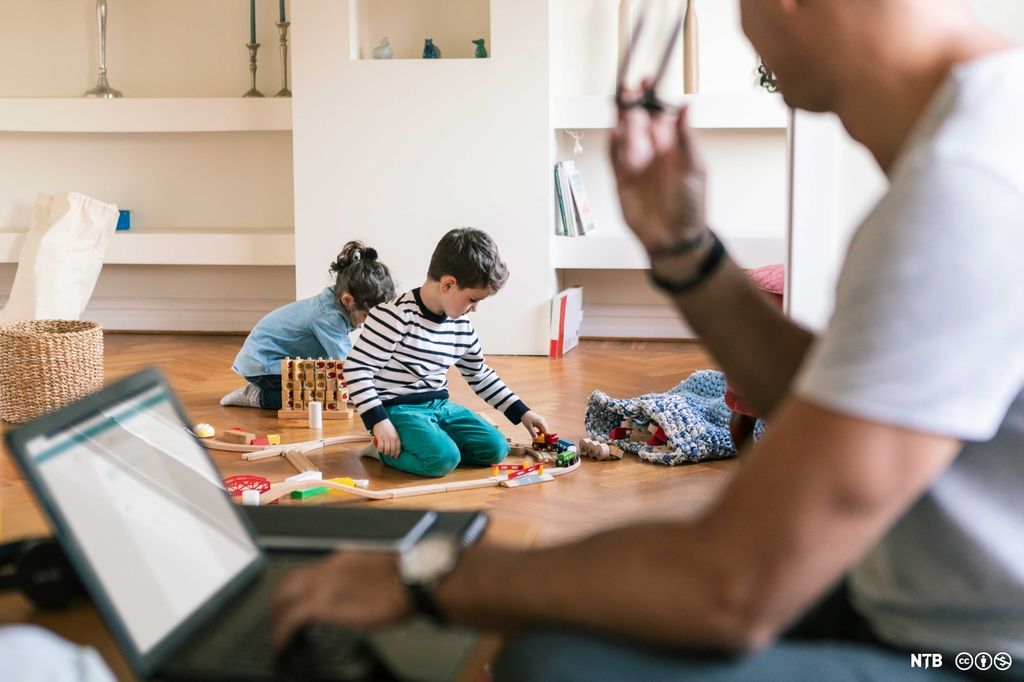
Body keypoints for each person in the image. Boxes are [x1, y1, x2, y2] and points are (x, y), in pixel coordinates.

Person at [272, 1, 1024, 679]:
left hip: (974, 655)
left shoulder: (962, 193)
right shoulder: (983, 134)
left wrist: (425, 577)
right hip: (905, 592)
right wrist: (684, 251)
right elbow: (806, 395)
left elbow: (728, 585)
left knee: (550, 659)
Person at [340, 227, 550, 477]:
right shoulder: (393, 316)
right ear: (449, 284)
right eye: (472, 299)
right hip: (396, 410)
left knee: (496, 448)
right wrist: (379, 421)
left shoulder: (461, 326)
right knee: (442, 460)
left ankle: (432, 445)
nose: (474, 309)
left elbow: (480, 375)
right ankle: (382, 449)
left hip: (439, 405)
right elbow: (356, 369)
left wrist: (523, 412)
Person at [220, 241, 394, 409]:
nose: (370, 322)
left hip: (272, 358)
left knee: (328, 380)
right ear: (348, 300)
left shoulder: (335, 304)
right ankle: (257, 396)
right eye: (367, 316)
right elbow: (346, 364)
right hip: (263, 365)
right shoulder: (329, 318)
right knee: (315, 393)